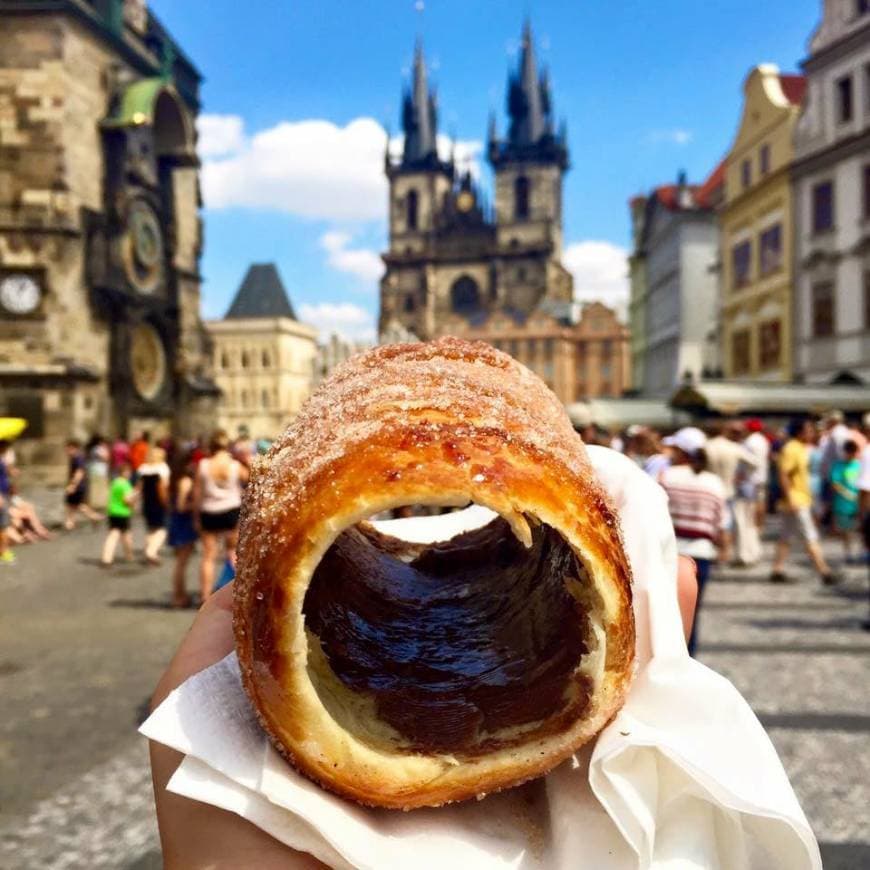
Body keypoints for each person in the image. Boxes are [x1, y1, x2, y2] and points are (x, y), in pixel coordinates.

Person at [659, 427, 728, 656]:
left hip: (669, 554)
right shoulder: (714, 483)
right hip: (701, 555)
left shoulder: (666, 477)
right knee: (691, 615)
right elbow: (721, 523)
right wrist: (725, 548)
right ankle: (687, 661)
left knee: (662, 616)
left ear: (682, 452)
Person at [770, 419, 839, 586]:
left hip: (797, 498)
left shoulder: (799, 448)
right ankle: (825, 572)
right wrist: (790, 497)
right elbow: (783, 474)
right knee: (810, 536)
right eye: (808, 430)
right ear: (800, 432)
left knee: (785, 536)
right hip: (796, 500)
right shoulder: (792, 449)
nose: (812, 433)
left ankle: (777, 570)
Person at [193, 431, 248, 602]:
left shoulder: (203, 464)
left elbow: (197, 493)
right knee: (233, 552)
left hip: (209, 511)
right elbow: (251, 479)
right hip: (231, 510)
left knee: (208, 556)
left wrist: (196, 516)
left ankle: (204, 594)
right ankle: (238, 593)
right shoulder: (234, 465)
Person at [704, 421, 761, 564]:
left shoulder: (706, 446)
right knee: (726, 524)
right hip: (727, 490)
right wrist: (742, 476)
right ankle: (725, 553)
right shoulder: (733, 447)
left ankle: (712, 552)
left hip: (707, 489)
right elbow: (755, 463)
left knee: (708, 523)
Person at [167, 450, 198, 608]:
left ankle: (179, 594)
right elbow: (181, 505)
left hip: (177, 522)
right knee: (181, 563)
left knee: (180, 562)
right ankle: (178, 596)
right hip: (183, 524)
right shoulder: (185, 481)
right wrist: (197, 504)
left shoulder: (175, 478)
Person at [830, 440, 862, 563]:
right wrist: (846, 493)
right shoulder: (838, 465)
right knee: (846, 530)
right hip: (843, 504)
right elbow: (835, 483)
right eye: (849, 453)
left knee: (861, 529)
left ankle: (862, 551)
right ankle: (848, 553)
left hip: (859, 503)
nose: (851, 455)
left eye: (853, 453)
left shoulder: (860, 465)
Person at [139, 446, 170, 565]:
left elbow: (140, 487)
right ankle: (151, 551)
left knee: (151, 528)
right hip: (157, 501)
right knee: (162, 529)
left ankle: (149, 551)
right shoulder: (162, 468)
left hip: (147, 501)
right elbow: (162, 487)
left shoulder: (143, 468)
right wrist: (166, 502)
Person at [101, 462, 137, 566]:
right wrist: (134, 499)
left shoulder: (115, 482)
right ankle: (129, 555)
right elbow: (127, 500)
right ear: (125, 473)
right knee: (126, 535)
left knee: (113, 535)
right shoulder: (125, 484)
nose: (130, 474)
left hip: (112, 511)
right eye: (129, 472)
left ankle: (106, 558)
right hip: (123, 512)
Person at [64, 440, 101, 530]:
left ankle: (93, 517)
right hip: (79, 486)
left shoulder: (78, 458)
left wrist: (73, 485)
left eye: (68, 449)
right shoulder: (76, 458)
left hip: (78, 486)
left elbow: (79, 472)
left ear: (73, 448)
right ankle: (71, 522)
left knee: (75, 505)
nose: (66, 451)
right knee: (73, 504)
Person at [743, 419, 770, 529]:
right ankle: (760, 525)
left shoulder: (749, 441)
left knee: (752, 503)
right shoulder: (763, 440)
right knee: (761, 501)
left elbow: (747, 460)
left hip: (751, 476)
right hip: (762, 474)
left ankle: (753, 525)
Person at [85, 434, 110, 512]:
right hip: (99, 470)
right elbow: (106, 458)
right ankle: (98, 503)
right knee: (99, 487)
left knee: (95, 487)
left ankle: (95, 503)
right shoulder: (98, 449)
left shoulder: (93, 449)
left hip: (94, 469)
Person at [0, 444, 14, 564]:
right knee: (3, 525)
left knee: (4, 525)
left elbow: (5, 475)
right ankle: (4, 551)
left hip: (5, 494)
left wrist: (11, 470)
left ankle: (4, 550)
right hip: (1, 496)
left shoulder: (2, 459)